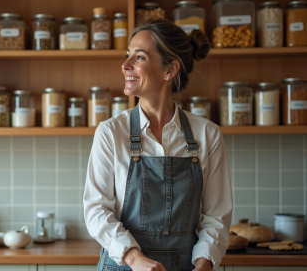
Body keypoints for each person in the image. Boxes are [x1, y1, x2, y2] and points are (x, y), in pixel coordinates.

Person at [83, 19, 232, 271]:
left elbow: (216, 217)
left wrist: (205, 264)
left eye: (138, 57)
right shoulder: (110, 132)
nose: (125, 65)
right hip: (125, 265)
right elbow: (96, 210)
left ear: (170, 70)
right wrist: (134, 258)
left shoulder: (207, 134)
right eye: (127, 54)